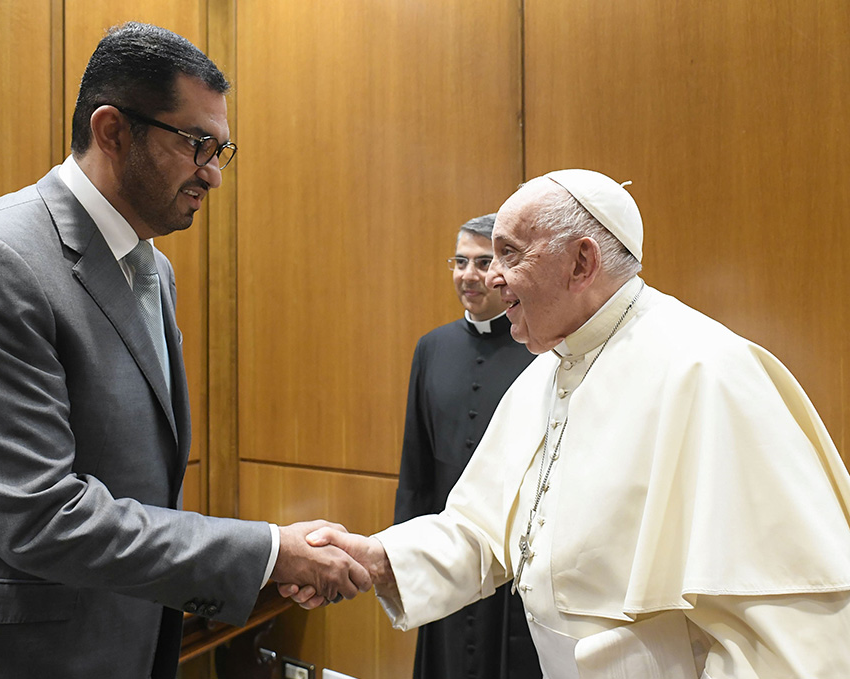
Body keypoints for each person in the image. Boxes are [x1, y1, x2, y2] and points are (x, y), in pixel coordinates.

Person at [0, 23, 368, 679]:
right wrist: (269, 553)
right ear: (112, 130)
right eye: (196, 144)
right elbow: (41, 514)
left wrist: (263, 554)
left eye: (222, 149)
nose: (212, 173)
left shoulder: (154, 270)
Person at [284, 170, 850, 678]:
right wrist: (375, 558)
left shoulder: (706, 370)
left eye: (509, 255)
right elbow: (484, 530)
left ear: (582, 262)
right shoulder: (548, 369)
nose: (492, 278)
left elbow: (781, 624)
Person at [395, 214, 539, 679]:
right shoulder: (431, 348)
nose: (468, 275)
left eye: (482, 262)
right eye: (459, 262)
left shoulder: (540, 352)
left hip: (514, 568)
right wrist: (406, 556)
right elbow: (416, 468)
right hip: (447, 555)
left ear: (504, 271)